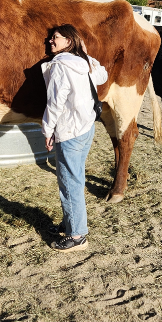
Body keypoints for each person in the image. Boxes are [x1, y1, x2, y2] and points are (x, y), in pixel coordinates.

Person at [41, 23, 108, 252]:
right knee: (76, 179)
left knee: (70, 182)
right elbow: (102, 75)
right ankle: (73, 222)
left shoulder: (60, 66)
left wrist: (47, 131)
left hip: (69, 131)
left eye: (56, 37)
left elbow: (55, 103)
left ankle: (77, 236)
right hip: (86, 127)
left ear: (69, 41)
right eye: (51, 37)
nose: (50, 40)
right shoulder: (84, 63)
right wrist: (86, 54)